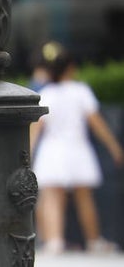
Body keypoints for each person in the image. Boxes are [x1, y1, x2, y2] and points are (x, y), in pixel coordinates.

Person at [29, 42, 124, 254]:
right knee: (84, 197)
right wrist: (114, 147)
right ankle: (93, 240)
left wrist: (27, 153)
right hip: (77, 149)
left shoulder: (46, 93)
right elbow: (96, 123)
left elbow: (36, 130)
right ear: (70, 68)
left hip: (52, 152)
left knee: (52, 196)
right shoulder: (81, 91)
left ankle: (54, 241)